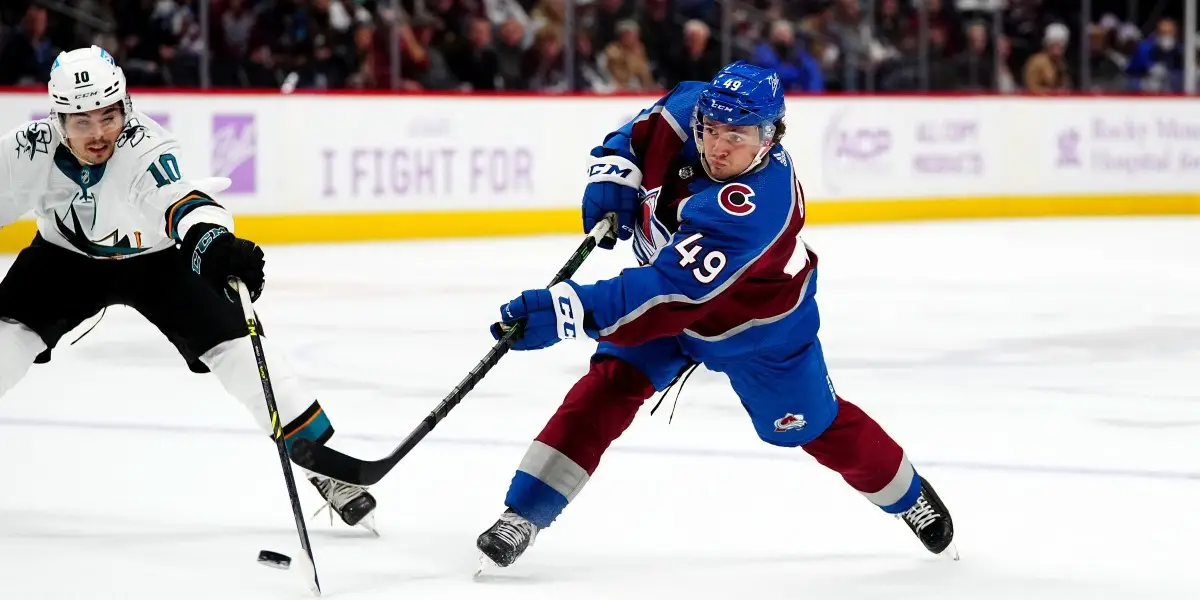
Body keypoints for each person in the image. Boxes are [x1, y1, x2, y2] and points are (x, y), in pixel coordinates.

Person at [475, 61, 956, 568]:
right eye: (711, 130)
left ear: (771, 137)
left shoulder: (755, 203)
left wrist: (565, 311)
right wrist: (614, 169)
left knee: (810, 425)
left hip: (758, 330)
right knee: (607, 386)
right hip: (668, 306)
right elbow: (637, 131)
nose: (719, 146)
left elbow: (667, 295)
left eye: (739, 136)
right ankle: (523, 514)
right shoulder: (690, 108)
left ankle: (908, 496)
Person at [0, 46, 376, 529]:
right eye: (81, 121)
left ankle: (326, 470)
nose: (98, 134)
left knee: (240, 350)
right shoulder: (25, 150)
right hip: (62, 262)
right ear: (58, 118)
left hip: (158, 262)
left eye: (108, 115)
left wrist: (215, 245)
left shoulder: (145, 146)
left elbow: (180, 201)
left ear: (126, 106)